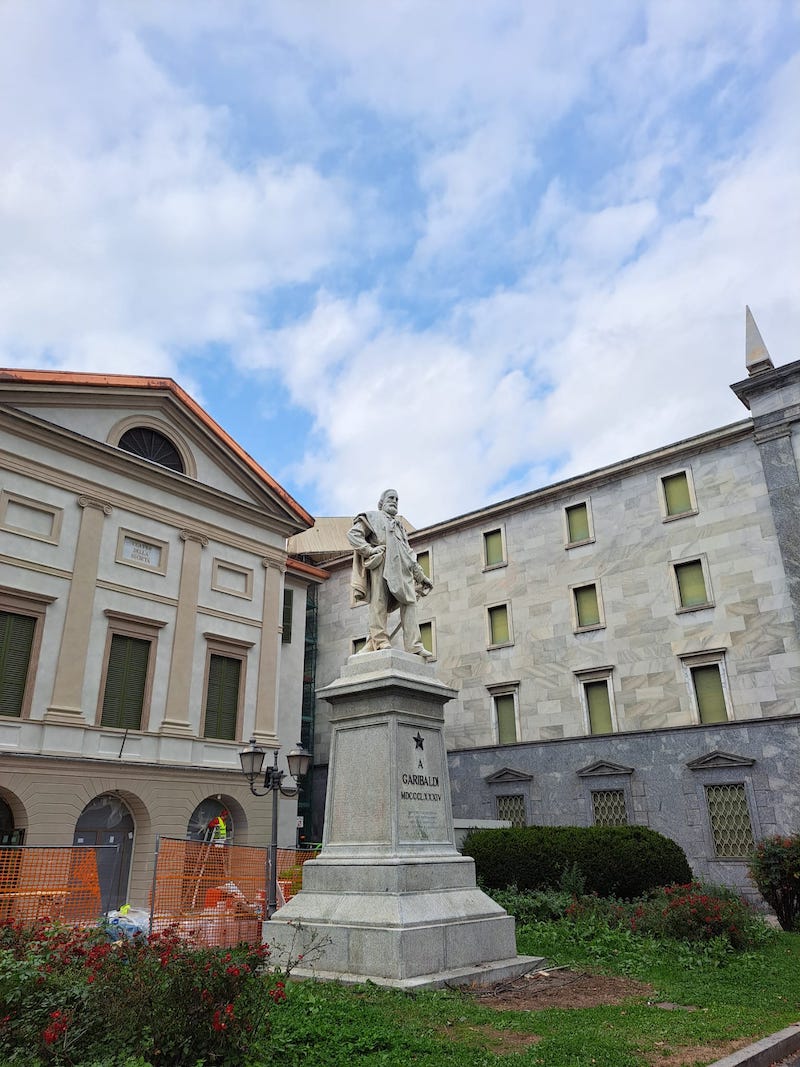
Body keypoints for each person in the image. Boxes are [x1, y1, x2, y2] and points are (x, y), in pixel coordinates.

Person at [348, 489, 433, 657]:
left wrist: (421, 577)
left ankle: (414, 646)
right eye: (391, 498)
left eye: (397, 499)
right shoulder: (372, 517)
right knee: (378, 603)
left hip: (402, 570)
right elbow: (353, 534)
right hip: (382, 565)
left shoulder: (401, 528)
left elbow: (409, 554)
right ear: (382, 502)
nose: (394, 501)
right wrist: (370, 550)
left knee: (410, 605)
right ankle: (380, 641)